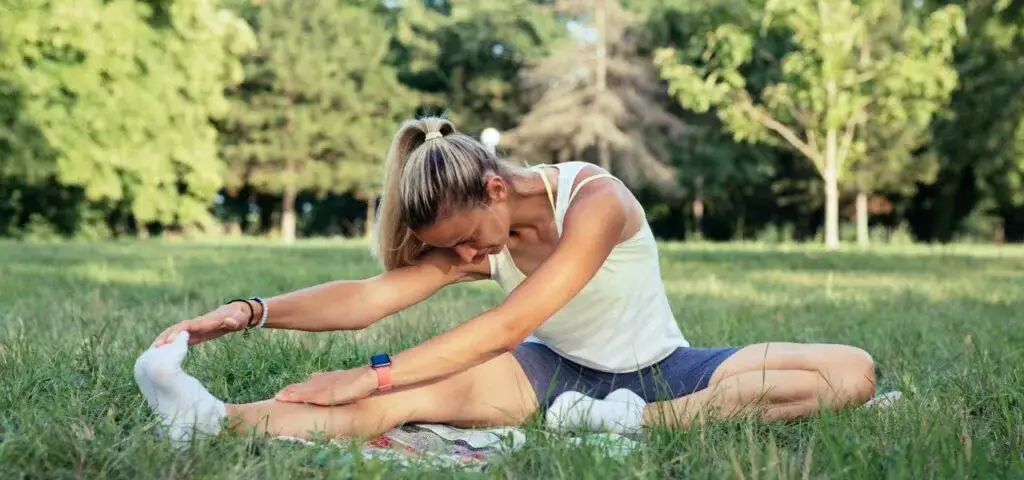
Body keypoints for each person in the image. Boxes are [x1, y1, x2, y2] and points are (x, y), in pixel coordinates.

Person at [136, 116, 877, 448]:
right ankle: (212, 419)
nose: (461, 258)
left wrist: (369, 374)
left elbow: (507, 323)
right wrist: (246, 312)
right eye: (447, 250)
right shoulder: (476, 234)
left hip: (665, 369)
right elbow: (367, 298)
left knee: (850, 374)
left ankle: (628, 425)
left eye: (462, 242)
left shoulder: (598, 202)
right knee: (398, 406)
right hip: (547, 375)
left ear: (495, 191)